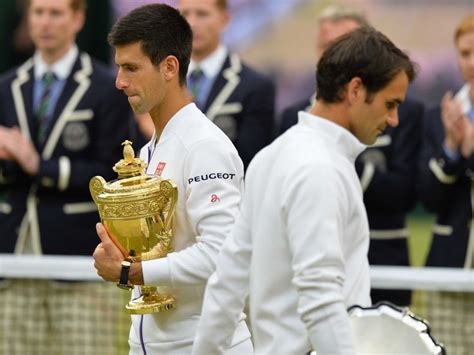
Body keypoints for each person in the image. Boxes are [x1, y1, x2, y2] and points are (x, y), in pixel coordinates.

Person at [192, 26, 417, 355]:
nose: (394, 119)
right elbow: (322, 301)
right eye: (390, 103)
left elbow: (228, 281)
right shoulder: (319, 168)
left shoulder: (273, 155)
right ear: (355, 90)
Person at [92, 4, 252, 354]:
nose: (119, 82)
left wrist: (130, 273)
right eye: (119, 68)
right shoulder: (152, 148)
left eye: (131, 68)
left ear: (169, 67)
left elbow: (221, 255)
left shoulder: (205, 146)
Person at [0, 0, 134, 354]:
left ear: (78, 19)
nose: (45, 22)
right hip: (13, 257)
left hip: (80, 258)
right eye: (38, 12)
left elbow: (111, 174)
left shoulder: (107, 86)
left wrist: (39, 165)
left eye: (56, 13)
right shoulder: (7, 85)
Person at [279, 4, 424, 307]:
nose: (334, 56)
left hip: (384, 273)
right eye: (327, 46)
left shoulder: (400, 114)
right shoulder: (290, 139)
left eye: (342, 45)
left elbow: (405, 193)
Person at [417, 14, 474, 354]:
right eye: (466, 53)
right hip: (450, 271)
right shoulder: (439, 115)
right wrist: (453, 150)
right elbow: (427, 197)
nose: (472, 62)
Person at [178, 0, 276, 169]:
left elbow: (250, 163)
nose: (191, 23)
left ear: (225, 19)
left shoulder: (255, 87)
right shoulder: (159, 80)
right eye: (184, 14)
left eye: (202, 14)